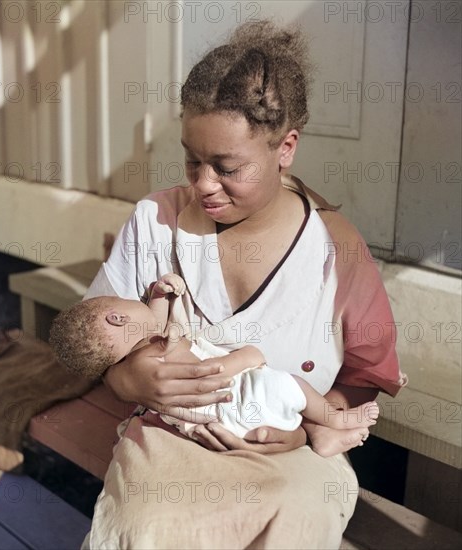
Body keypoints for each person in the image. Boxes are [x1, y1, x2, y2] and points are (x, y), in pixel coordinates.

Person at [80, 20, 407, 549]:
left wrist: (303, 430)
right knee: (149, 529)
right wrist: (133, 381)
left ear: (286, 148)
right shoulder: (156, 223)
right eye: (192, 159)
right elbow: (97, 342)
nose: (203, 183)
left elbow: (365, 373)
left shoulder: (333, 251)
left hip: (288, 459)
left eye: (227, 167)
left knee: (297, 516)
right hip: (171, 443)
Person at [50, 273, 379, 447]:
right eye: (127, 300)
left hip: (223, 424)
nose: (138, 302)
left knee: (279, 407)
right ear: (118, 318)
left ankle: (315, 437)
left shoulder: (142, 348)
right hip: (232, 400)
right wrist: (245, 358)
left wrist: (159, 294)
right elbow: (209, 374)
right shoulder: (159, 348)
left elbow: (152, 318)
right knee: (294, 386)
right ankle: (335, 420)